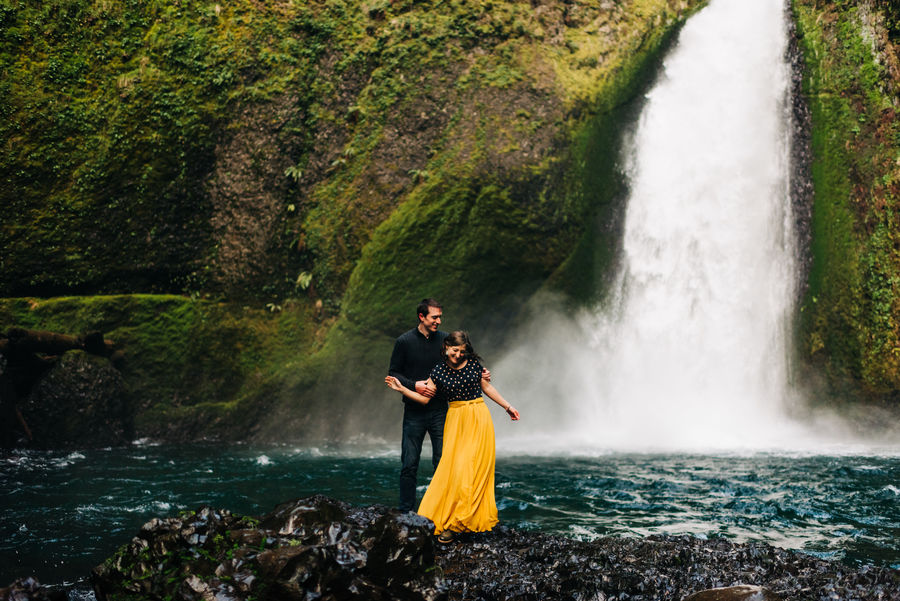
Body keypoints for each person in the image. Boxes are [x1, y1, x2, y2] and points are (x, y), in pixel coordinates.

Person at [386, 330, 520, 543]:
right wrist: (401, 388)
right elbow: (423, 399)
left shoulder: (474, 364)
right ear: (446, 346)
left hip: (478, 417)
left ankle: (464, 520)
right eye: (455, 350)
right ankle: (453, 520)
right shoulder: (438, 371)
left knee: (477, 469)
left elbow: (486, 387)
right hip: (456, 420)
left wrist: (508, 407)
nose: (458, 355)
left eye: (462, 351)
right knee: (458, 470)